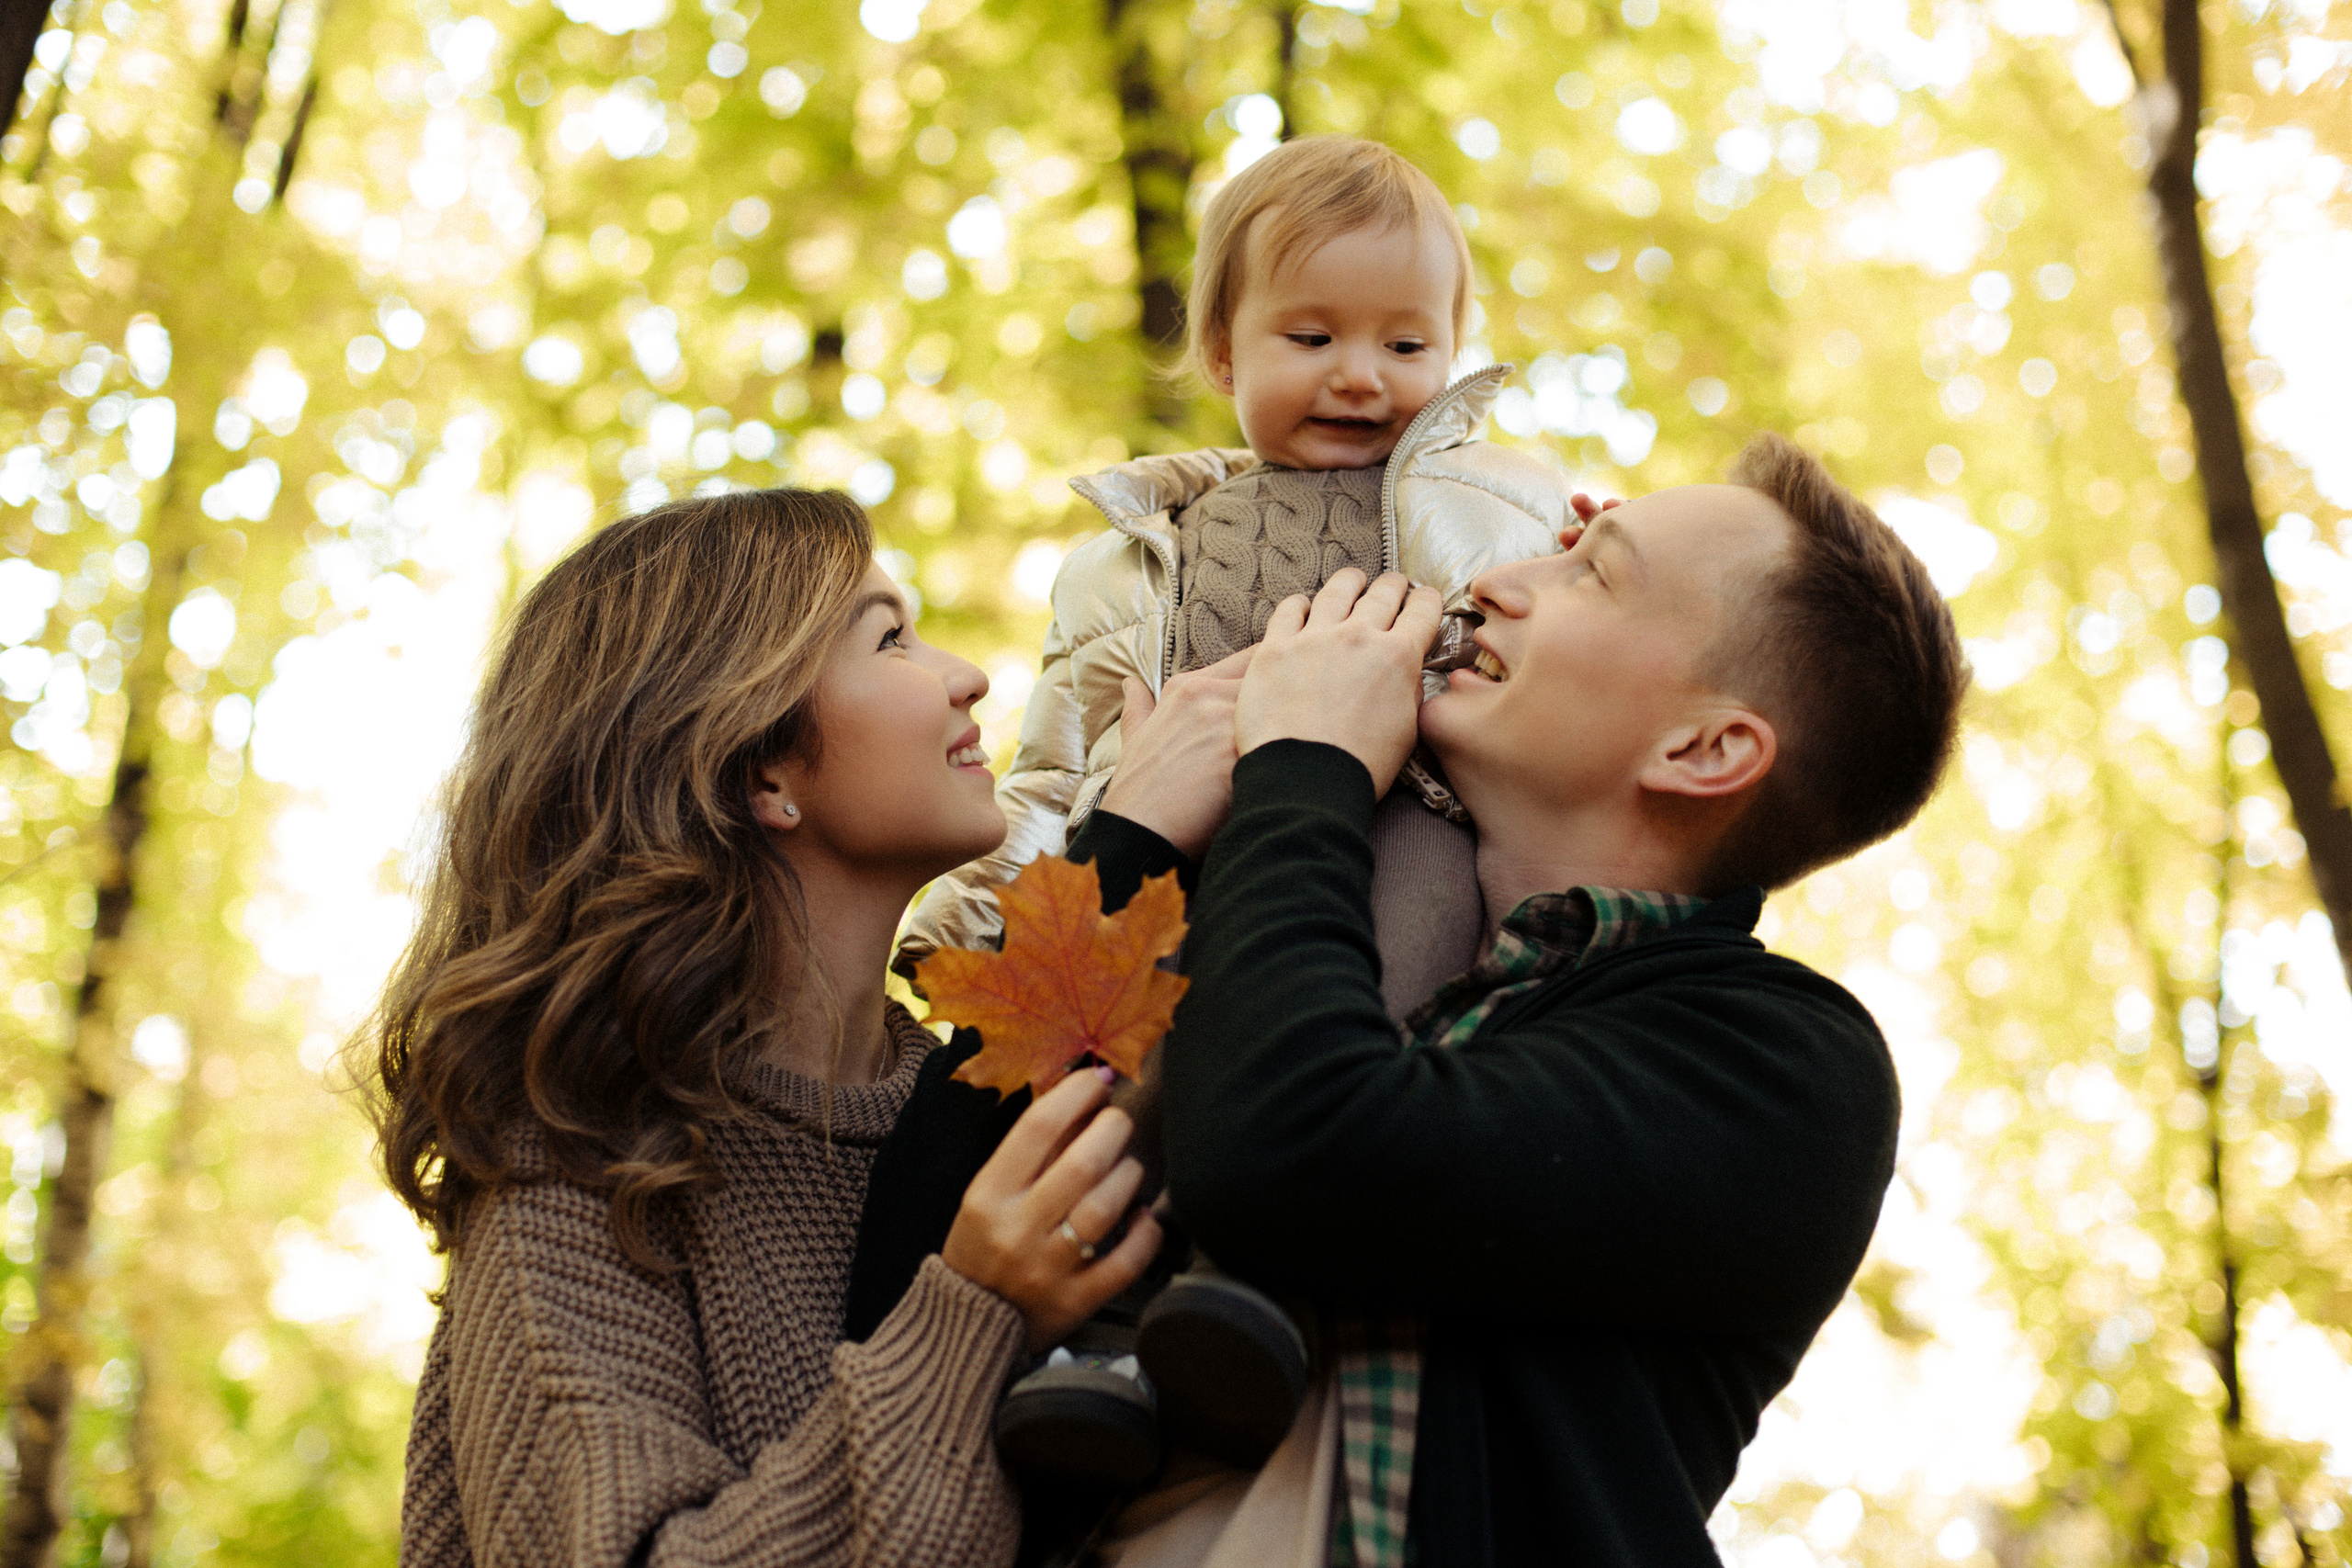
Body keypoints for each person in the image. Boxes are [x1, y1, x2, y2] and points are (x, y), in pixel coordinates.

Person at [854, 435, 1969, 1566]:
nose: (1497, 580)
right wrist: (1133, 837)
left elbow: (1292, 1154)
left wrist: (1306, 766)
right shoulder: (1277, 914)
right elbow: (893, 1273)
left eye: (1592, 574)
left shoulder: (1777, 1064)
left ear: (1704, 748)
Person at [891, 132, 1583, 1483]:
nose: (1360, 376)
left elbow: (1585, 649)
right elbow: (1057, 753)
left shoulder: (1497, 507)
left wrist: (1576, 547)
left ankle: (1260, 1278)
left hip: (1402, 833)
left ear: (1454, 353)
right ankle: (1097, 1341)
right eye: (1311, 334)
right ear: (1221, 351)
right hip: (1181, 859)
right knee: (1117, 1088)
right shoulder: (1130, 555)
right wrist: (985, 903)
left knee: (1359, 1010)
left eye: (1406, 344)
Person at [367, 489, 1163, 1568]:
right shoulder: (583, 1170)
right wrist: (971, 1317)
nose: (965, 675)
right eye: (891, 638)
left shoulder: (966, 1099)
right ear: (760, 770)